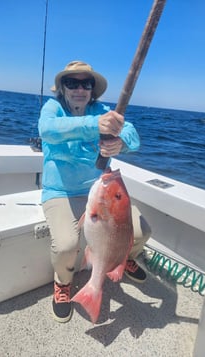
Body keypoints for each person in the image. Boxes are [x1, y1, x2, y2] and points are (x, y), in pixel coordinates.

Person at [38, 61, 151, 323]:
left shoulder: (101, 110)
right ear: (62, 88)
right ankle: (63, 284)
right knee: (67, 244)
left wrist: (120, 143)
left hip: (100, 194)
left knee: (142, 231)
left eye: (85, 83)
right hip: (61, 192)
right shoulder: (53, 107)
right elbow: (47, 130)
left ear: (92, 89)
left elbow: (132, 133)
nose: (79, 89)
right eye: (72, 83)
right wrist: (96, 126)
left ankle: (122, 259)